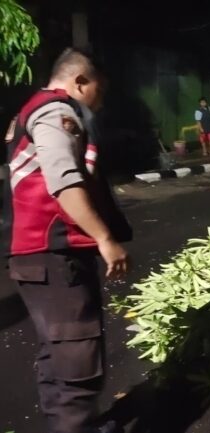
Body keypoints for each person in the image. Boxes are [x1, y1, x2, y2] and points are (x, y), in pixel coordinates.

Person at [3, 48, 131, 433]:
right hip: (54, 255)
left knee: (56, 355)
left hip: (35, 256)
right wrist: (104, 238)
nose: (99, 103)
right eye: (98, 92)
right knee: (78, 362)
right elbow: (64, 181)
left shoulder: (31, 110)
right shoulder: (56, 111)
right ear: (80, 81)